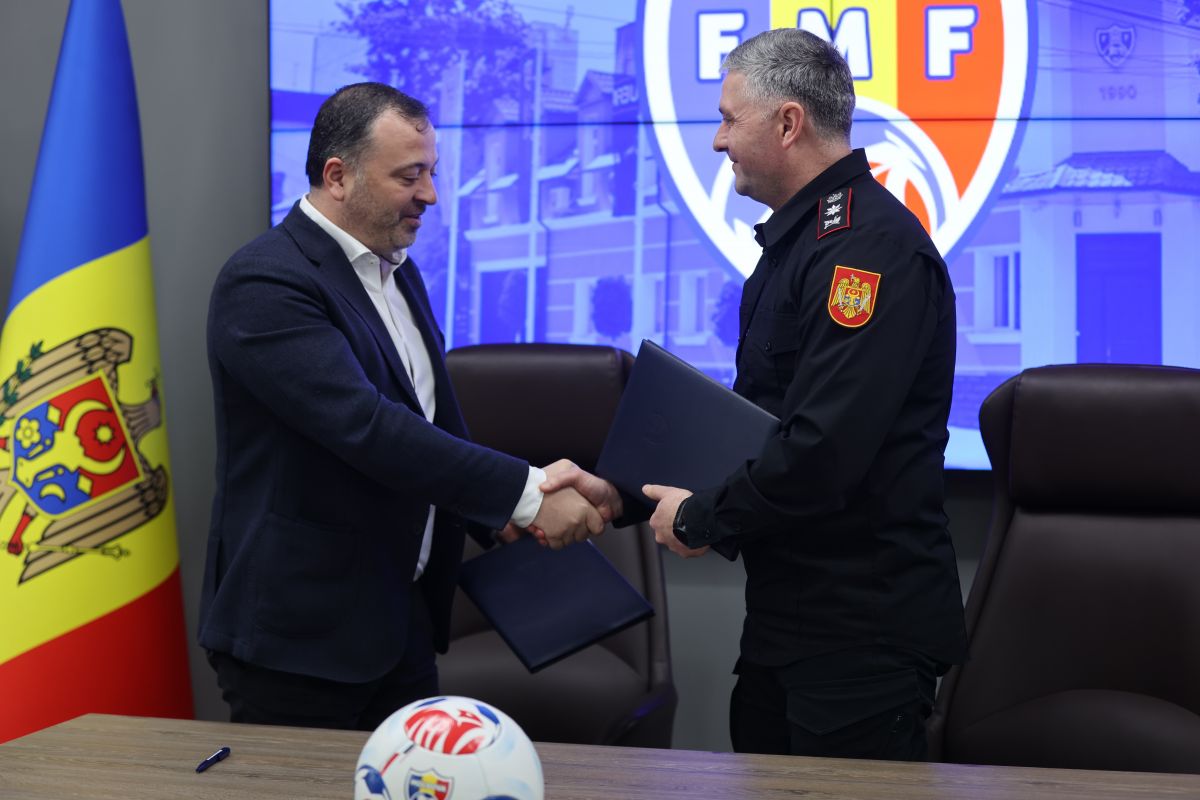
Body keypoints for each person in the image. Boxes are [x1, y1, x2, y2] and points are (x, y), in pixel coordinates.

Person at [545, 29, 967, 760]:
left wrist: (702, 518)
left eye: (728, 119)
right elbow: (752, 433)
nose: (717, 140)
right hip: (791, 624)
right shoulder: (803, 243)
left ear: (788, 122)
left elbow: (824, 450)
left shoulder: (868, 252)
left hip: (860, 635)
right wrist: (623, 494)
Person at [198, 82, 606, 731]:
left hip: (400, 624)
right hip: (300, 643)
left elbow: (434, 421)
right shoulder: (265, 281)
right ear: (338, 176)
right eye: (409, 176)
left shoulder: (397, 268)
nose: (431, 195)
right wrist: (525, 494)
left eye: (432, 173)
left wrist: (494, 514)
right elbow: (367, 427)